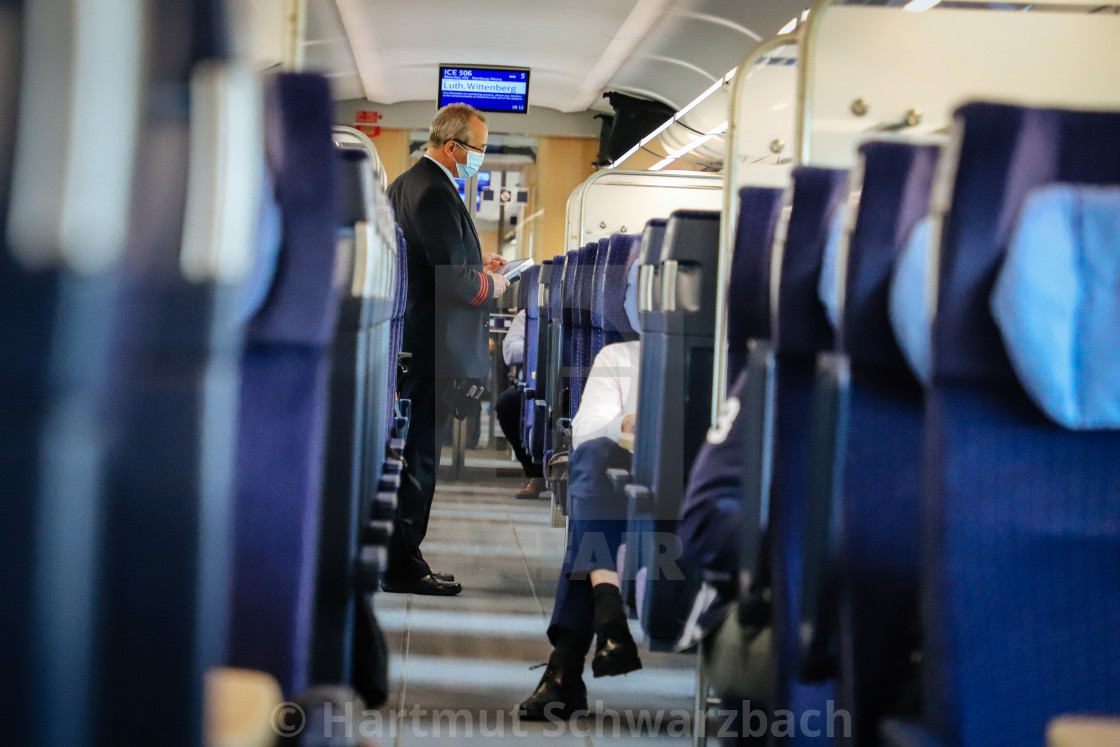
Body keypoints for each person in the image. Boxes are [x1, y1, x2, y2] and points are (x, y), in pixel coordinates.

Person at [383, 103, 510, 596]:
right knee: (419, 460)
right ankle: (404, 567)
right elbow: (454, 281)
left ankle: (403, 558)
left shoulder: (406, 183)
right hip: (433, 346)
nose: (479, 157)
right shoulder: (435, 192)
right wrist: (493, 286)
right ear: (453, 146)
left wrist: (483, 263)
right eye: (478, 149)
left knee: (411, 456)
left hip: (416, 340)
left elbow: (441, 259)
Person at [518, 260, 643, 720]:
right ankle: (600, 626)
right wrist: (630, 421)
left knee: (588, 526)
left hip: (690, 506)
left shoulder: (725, 365)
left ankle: (567, 667)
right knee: (591, 458)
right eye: (630, 286)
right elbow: (589, 430)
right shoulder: (619, 358)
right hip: (629, 497)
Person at [494, 309, 547, 499]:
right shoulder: (530, 314)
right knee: (506, 404)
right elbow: (509, 352)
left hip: (571, 386)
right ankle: (536, 473)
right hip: (535, 385)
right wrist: (541, 345)